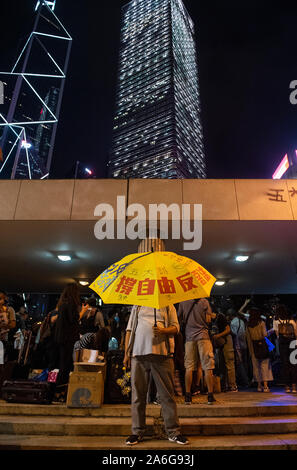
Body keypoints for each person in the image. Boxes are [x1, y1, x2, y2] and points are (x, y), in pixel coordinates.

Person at [124, 304, 188, 446]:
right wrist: (126, 353)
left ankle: (173, 432)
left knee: (167, 396)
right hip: (138, 354)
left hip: (162, 355)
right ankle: (137, 432)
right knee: (137, 396)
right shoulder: (138, 305)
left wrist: (163, 330)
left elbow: (176, 327)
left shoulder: (167, 305)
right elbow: (129, 329)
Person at [54, 283, 89, 401]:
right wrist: (83, 311)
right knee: (66, 365)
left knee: (62, 364)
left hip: (61, 339)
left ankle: (59, 391)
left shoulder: (62, 304)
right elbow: (74, 319)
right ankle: (60, 392)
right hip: (68, 339)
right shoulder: (71, 304)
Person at [178, 298, 216, 405]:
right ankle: (210, 396)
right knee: (207, 367)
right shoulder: (204, 302)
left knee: (189, 367)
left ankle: (188, 396)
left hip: (189, 338)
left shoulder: (183, 301)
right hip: (203, 337)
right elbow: (208, 320)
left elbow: (179, 318)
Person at [246, 308, 273, 392]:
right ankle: (265, 386)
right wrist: (270, 331)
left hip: (253, 346)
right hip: (262, 346)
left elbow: (248, 338)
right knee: (265, 365)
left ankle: (259, 385)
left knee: (256, 367)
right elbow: (264, 334)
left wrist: (251, 351)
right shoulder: (261, 323)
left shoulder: (248, 325)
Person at [271, 305, 297, 393]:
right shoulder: (291, 321)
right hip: (293, 343)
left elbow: (277, 334)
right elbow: (296, 332)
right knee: (293, 364)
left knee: (285, 365)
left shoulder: (276, 321)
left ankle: (287, 386)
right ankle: (294, 385)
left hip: (283, 344)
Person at [212, 311, 238, 392]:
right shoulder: (210, 321)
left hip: (227, 340)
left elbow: (228, 330)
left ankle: (232, 385)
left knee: (229, 363)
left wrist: (217, 336)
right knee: (221, 365)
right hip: (219, 343)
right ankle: (224, 385)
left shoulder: (220, 317)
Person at [230, 310, 249, 388]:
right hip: (244, 344)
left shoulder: (232, 323)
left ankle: (245, 381)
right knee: (245, 363)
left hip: (237, 345)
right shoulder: (241, 321)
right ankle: (247, 379)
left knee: (240, 364)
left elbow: (234, 334)